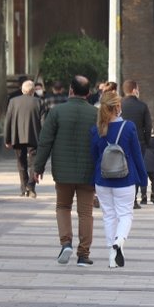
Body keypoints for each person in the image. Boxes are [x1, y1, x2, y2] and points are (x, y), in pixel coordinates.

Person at [33, 76, 98, 267]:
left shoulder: (57, 112)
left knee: (63, 207)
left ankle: (66, 242)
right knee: (85, 212)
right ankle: (83, 254)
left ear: (70, 90)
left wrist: (38, 167)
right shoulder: (95, 114)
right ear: (88, 93)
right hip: (88, 171)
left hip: (62, 172)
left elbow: (45, 141)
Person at [90, 91, 147, 269]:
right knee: (125, 214)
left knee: (108, 215)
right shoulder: (129, 127)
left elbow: (94, 156)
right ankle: (119, 241)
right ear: (117, 107)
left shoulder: (96, 129)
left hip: (102, 179)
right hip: (125, 179)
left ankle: (111, 257)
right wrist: (143, 178)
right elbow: (137, 155)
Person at [4, 80, 44, 198]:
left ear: (22, 90)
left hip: (17, 136)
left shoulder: (13, 101)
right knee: (34, 163)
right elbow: (43, 123)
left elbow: (8, 121)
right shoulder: (39, 102)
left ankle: (23, 188)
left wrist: (7, 139)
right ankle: (30, 187)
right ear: (33, 91)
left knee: (21, 163)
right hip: (34, 137)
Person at [120, 80, 152, 208]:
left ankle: (121, 197)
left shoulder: (119, 104)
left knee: (121, 168)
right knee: (136, 168)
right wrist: (147, 140)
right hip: (139, 141)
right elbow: (148, 126)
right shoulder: (142, 106)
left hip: (120, 141)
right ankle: (133, 199)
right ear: (134, 90)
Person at [141, 133, 154, 205]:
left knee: (143, 181)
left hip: (144, 163)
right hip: (153, 163)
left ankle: (144, 196)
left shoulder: (142, 140)